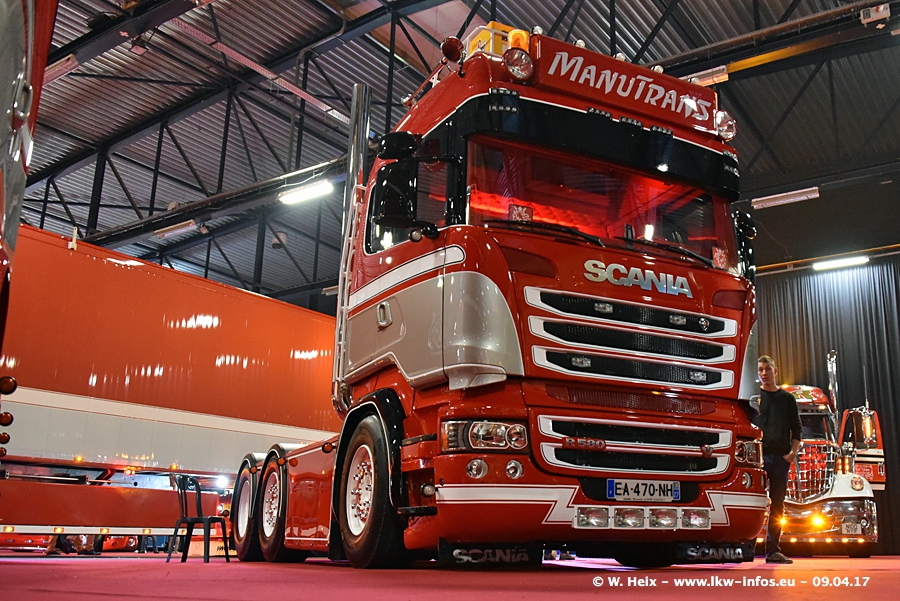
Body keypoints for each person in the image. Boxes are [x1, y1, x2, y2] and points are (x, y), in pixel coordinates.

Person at [754, 355, 802, 564]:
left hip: (780, 459)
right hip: (757, 460)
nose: (764, 373)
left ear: (775, 371)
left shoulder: (787, 399)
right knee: (752, 503)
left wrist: (791, 455)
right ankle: (746, 548)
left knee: (778, 505)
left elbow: (797, 429)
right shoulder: (754, 398)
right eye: (760, 369)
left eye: (767, 369)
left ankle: (772, 551)